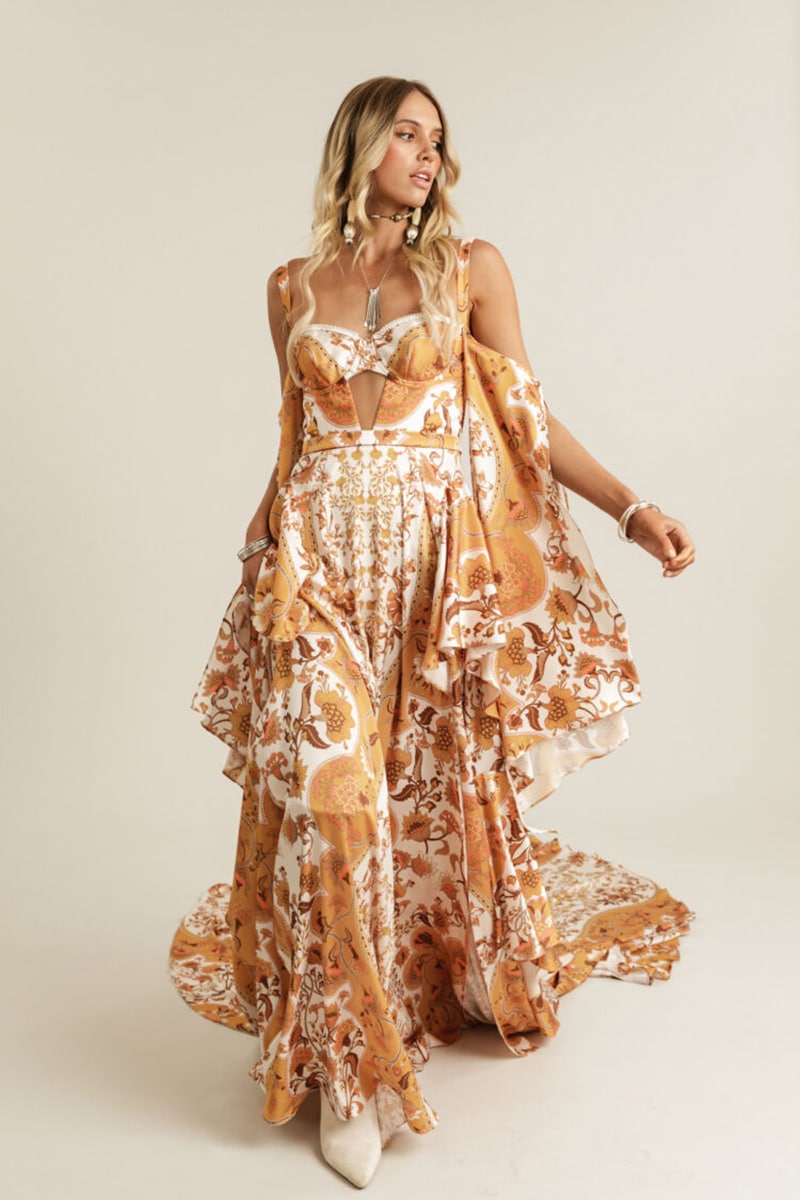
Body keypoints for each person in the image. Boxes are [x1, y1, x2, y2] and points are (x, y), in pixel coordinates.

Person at [169, 76, 696, 1188]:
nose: (426, 153)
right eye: (406, 132)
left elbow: (525, 417)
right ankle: (351, 1077)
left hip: (428, 585)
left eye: (437, 140)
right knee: (335, 800)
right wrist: (260, 557)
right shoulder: (288, 286)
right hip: (316, 575)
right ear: (359, 143)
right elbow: (293, 440)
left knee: (412, 798)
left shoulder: (468, 270)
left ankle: (409, 986)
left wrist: (630, 506)